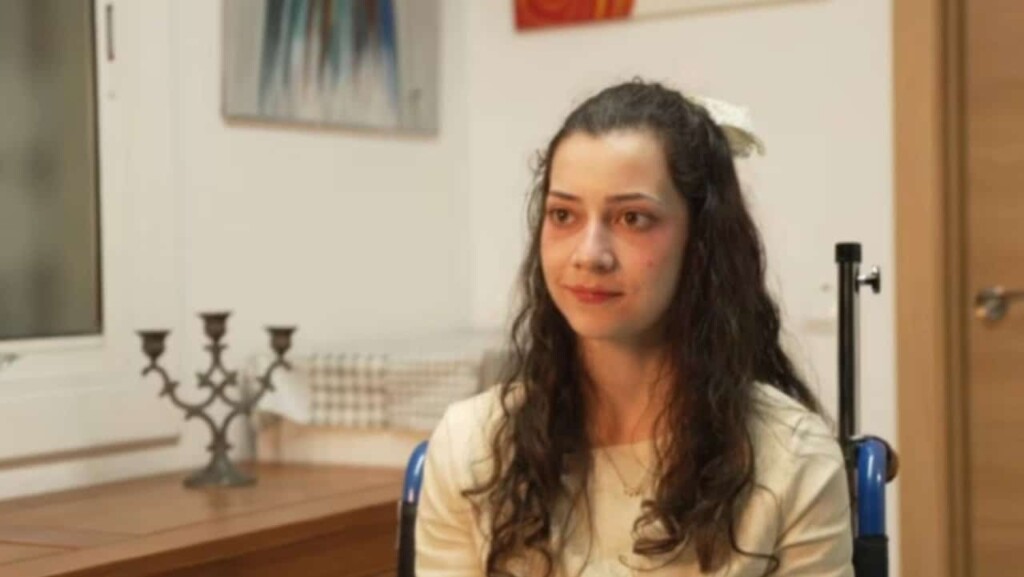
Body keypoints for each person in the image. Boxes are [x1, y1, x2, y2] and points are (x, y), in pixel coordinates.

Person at [415, 80, 854, 577]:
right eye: (563, 215)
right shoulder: (472, 448)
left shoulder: (791, 460)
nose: (589, 255)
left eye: (632, 218)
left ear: (701, 241)